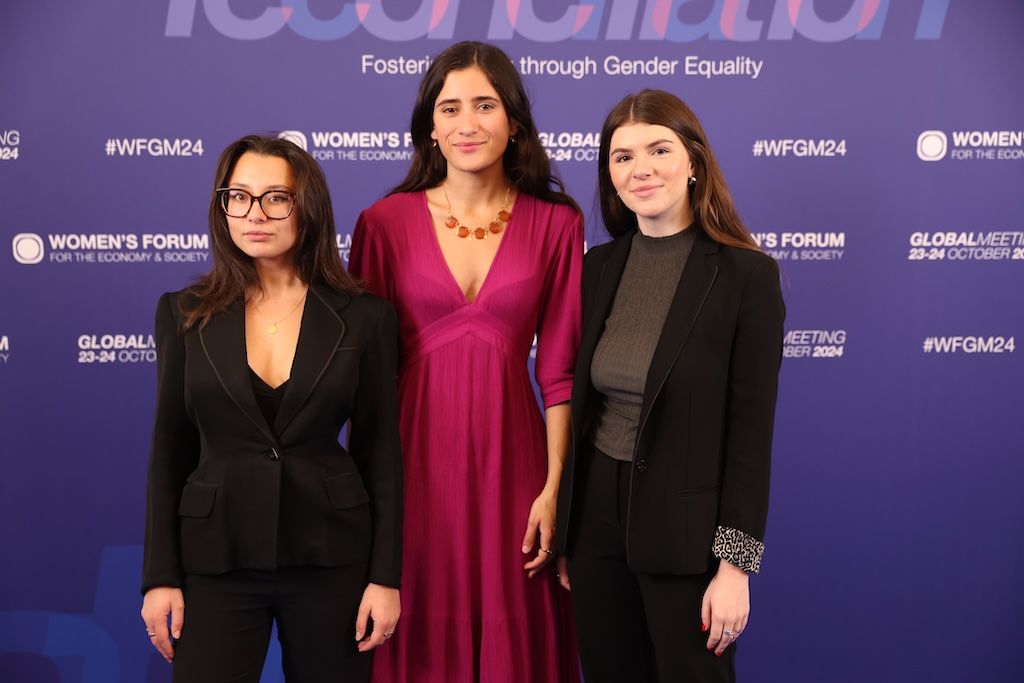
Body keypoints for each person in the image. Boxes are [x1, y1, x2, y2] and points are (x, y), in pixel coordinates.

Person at [349, 41, 582, 683]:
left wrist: (556, 488)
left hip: (518, 471)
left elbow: (559, 374)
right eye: (450, 107)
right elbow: (365, 378)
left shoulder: (556, 224)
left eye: (485, 105)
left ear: (513, 121)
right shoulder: (383, 223)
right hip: (412, 465)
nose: (467, 123)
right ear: (431, 125)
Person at [140, 134, 402, 683]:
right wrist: (159, 577)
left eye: (275, 198)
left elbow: (379, 452)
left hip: (332, 558)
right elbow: (170, 451)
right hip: (215, 559)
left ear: (307, 207)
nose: (254, 213)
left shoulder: (364, 317)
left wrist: (385, 577)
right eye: (238, 196)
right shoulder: (183, 314)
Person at [554, 89, 785, 682]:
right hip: (595, 528)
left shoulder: (746, 275)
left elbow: (750, 437)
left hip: (689, 536)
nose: (641, 169)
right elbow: (586, 405)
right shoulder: (597, 267)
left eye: (659, 149)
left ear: (694, 162)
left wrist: (735, 568)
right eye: (622, 156)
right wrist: (571, 530)